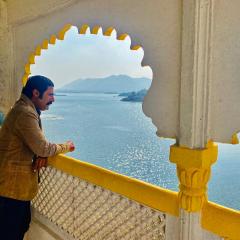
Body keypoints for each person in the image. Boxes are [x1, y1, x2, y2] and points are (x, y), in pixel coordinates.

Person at [0, 75, 75, 240]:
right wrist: (66, 146)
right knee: (10, 233)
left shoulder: (25, 108)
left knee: (19, 227)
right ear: (35, 93)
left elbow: (35, 145)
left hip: (14, 188)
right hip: (11, 190)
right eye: (50, 95)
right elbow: (44, 147)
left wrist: (40, 154)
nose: (53, 99)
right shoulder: (25, 113)